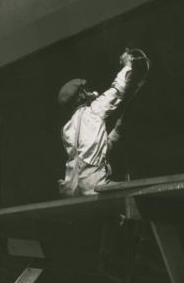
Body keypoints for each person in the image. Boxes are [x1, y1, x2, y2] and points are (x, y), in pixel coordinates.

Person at [57, 48, 150, 196]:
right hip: (95, 188)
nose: (91, 92)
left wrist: (117, 131)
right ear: (81, 95)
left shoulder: (66, 129)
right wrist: (128, 65)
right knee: (139, 193)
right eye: (86, 90)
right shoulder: (94, 110)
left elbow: (93, 151)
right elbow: (117, 89)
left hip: (73, 191)